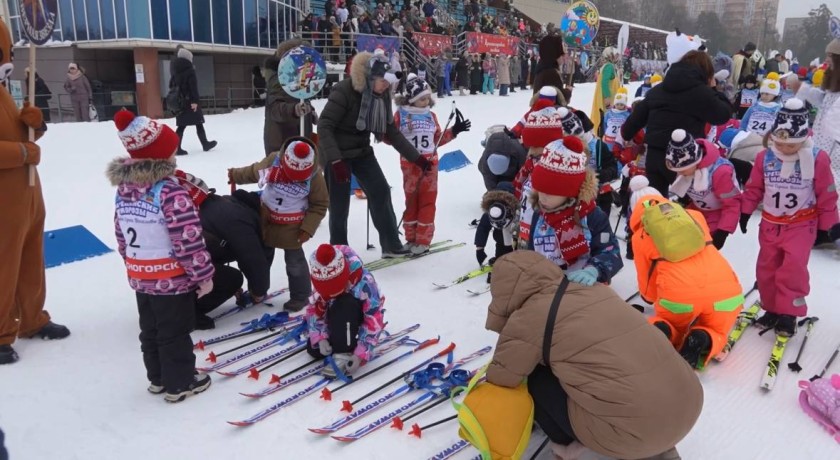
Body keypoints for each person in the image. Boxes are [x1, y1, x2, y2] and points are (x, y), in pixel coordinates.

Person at [484, 251, 702, 460]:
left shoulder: (530, 316)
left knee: (535, 376)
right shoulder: (593, 288)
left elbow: (503, 378)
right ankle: (658, 449)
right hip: (688, 403)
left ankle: (567, 446)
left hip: (635, 433)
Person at [107, 109, 214, 402]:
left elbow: (120, 234)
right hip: (171, 278)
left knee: (151, 329)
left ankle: (157, 377)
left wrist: (131, 265)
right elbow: (188, 242)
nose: (174, 157)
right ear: (161, 157)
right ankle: (180, 382)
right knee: (175, 331)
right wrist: (203, 276)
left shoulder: (124, 191)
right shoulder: (172, 194)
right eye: (170, 151)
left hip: (142, 276)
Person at [0, 20, 69, 365]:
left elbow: (24, 138)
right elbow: (18, 149)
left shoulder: (2, 91)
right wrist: (23, 153)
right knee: (3, 264)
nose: (7, 61)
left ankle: (31, 317)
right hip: (2, 201)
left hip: (27, 193)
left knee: (30, 259)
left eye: (8, 53)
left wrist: (34, 124)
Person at [740, 99, 840, 336]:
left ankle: (789, 313)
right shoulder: (766, 157)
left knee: (792, 269)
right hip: (771, 224)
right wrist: (745, 210)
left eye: (792, 145)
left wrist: (831, 225)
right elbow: (755, 187)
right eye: (780, 143)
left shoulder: (817, 158)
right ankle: (772, 308)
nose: (785, 149)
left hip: (801, 224)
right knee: (767, 267)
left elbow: (826, 194)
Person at [628, 176, 744, 369]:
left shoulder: (641, 235)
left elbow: (646, 276)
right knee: (717, 327)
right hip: (726, 291)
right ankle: (705, 338)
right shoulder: (694, 216)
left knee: (672, 322)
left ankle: (664, 330)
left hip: (679, 298)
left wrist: (649, 297)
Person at [317, 51, 423, 258]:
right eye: (383, 81)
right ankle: (340, 251)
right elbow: (324, 126)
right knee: (339, 205)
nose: (385, 87)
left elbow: (390, 130)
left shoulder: (381, 95)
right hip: (336, 153)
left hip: (362, 151)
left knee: (381, 191)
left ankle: (391, 244)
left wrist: (417, 158)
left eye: (388, 83)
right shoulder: (344, 91)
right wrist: (335, 160)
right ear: (370, 77)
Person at [228, 137, 329, 312]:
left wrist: (308, 228)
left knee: (295, 261)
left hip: (294, 225)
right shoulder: (274, 160)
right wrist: (235, 174)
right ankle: (257, 290)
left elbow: (320, 204)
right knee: (261, 258)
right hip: (266, 219)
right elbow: (254, 172)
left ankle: (300, 295)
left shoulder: (314, 175)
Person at [620, 50, 733, 196]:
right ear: (706, 73)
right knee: (688, 210)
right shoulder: (702, 93)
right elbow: (723, 115)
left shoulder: (657, 91)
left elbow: (627, 129)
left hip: (654, 157)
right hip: (685, 160)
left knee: (657, 207)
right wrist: (714, 89)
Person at [180, 177, 275, 329]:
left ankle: (175, 306)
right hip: (180, 266)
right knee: (232, 279)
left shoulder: (224, 203)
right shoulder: (239, 219)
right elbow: (253, 259)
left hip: (165, 267)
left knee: (223, 274)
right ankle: (184, 314)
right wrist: (258, 292)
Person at [526, 136, 623, 285]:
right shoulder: (539, 214)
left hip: (585, 290)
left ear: (570, 191)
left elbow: (611, 252)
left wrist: (594, 269)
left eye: (551, 192)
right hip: (546, 288)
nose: (543, 198)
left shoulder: (591, 216)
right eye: (540, 190)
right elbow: (531, 252)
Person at [392, 76, 470, 254]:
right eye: (422, 98)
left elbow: (437, 140)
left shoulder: (431, 116)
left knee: (427, 203)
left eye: (427, 97)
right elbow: (392, 138)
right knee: (411, 202)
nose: (426, 101)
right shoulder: (401, 114)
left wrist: (454, 131)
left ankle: (423, 240)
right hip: (410, 165)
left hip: (430, 165)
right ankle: (410, 238)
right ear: (411, 99)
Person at [305, 244, 384, 377]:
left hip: (352, 315)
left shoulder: (364, 282)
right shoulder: (322, 274)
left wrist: (360, 354)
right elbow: (314, 309)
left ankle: (344, 351)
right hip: (336, 318)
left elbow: (374, 319)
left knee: (344, 303)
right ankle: (337, 340)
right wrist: (320, 337)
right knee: (314, 350)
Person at [664, 130, 741, 249]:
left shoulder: (720, 172)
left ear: (694, 162)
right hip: (696, 211)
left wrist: (723, 231)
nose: (679, 174)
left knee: (703, 249)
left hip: (717, 214)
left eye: (682, 170)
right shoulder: (685, 170)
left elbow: (732, 204)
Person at [795, 39, 840, 206]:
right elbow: (824, 101)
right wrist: (803, 89)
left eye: (831, 56)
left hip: (834, 152)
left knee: (832, 190)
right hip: (822, 147)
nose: (826, 59)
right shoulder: (834, 85)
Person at [262, 39, 318, 156]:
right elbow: (275, 109)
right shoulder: (278, 79)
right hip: (282, 143)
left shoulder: (298, 78)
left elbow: (302, 98)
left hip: (299, 139)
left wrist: (310, 112)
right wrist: (294, 109)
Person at [169, 47, 217, 156]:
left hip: (180, 102)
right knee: (198, 122)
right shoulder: (189, 70)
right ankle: (205, 144)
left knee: (182, 125)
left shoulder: (174, 70)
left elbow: (171, 86)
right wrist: (195, 101)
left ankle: (177, 148)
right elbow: (193, 87)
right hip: (190, 101)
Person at [474, 183, 517, 279]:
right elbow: (483, 228)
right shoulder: (490, 212)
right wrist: (479, 248)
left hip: (515, 238)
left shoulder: (516, 211)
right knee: (501, 248)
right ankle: (501, 262)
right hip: (500, 239)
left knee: (515, 253)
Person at [478, 126, 527, 191]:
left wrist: (518, 192)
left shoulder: (520, 153)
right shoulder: (484, 163)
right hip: (500, 175)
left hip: (515, 173)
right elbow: (489, 182)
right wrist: (494, 194)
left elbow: (524, 176)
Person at [590, 47, 621, 135]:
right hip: (608, 98)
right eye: (615, 55)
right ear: (610, 55)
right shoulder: (609, 66)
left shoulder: (609, 66)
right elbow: (604, 82)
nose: (617, 57)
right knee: (606, 118)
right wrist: (607, 97)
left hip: (606, 96)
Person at [531, 34, 570, 101]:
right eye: (561, 55)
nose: (563, 58)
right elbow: (558, 98)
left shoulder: (543, 68)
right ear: (554, 55)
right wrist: (568, 91)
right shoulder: (551, 73)